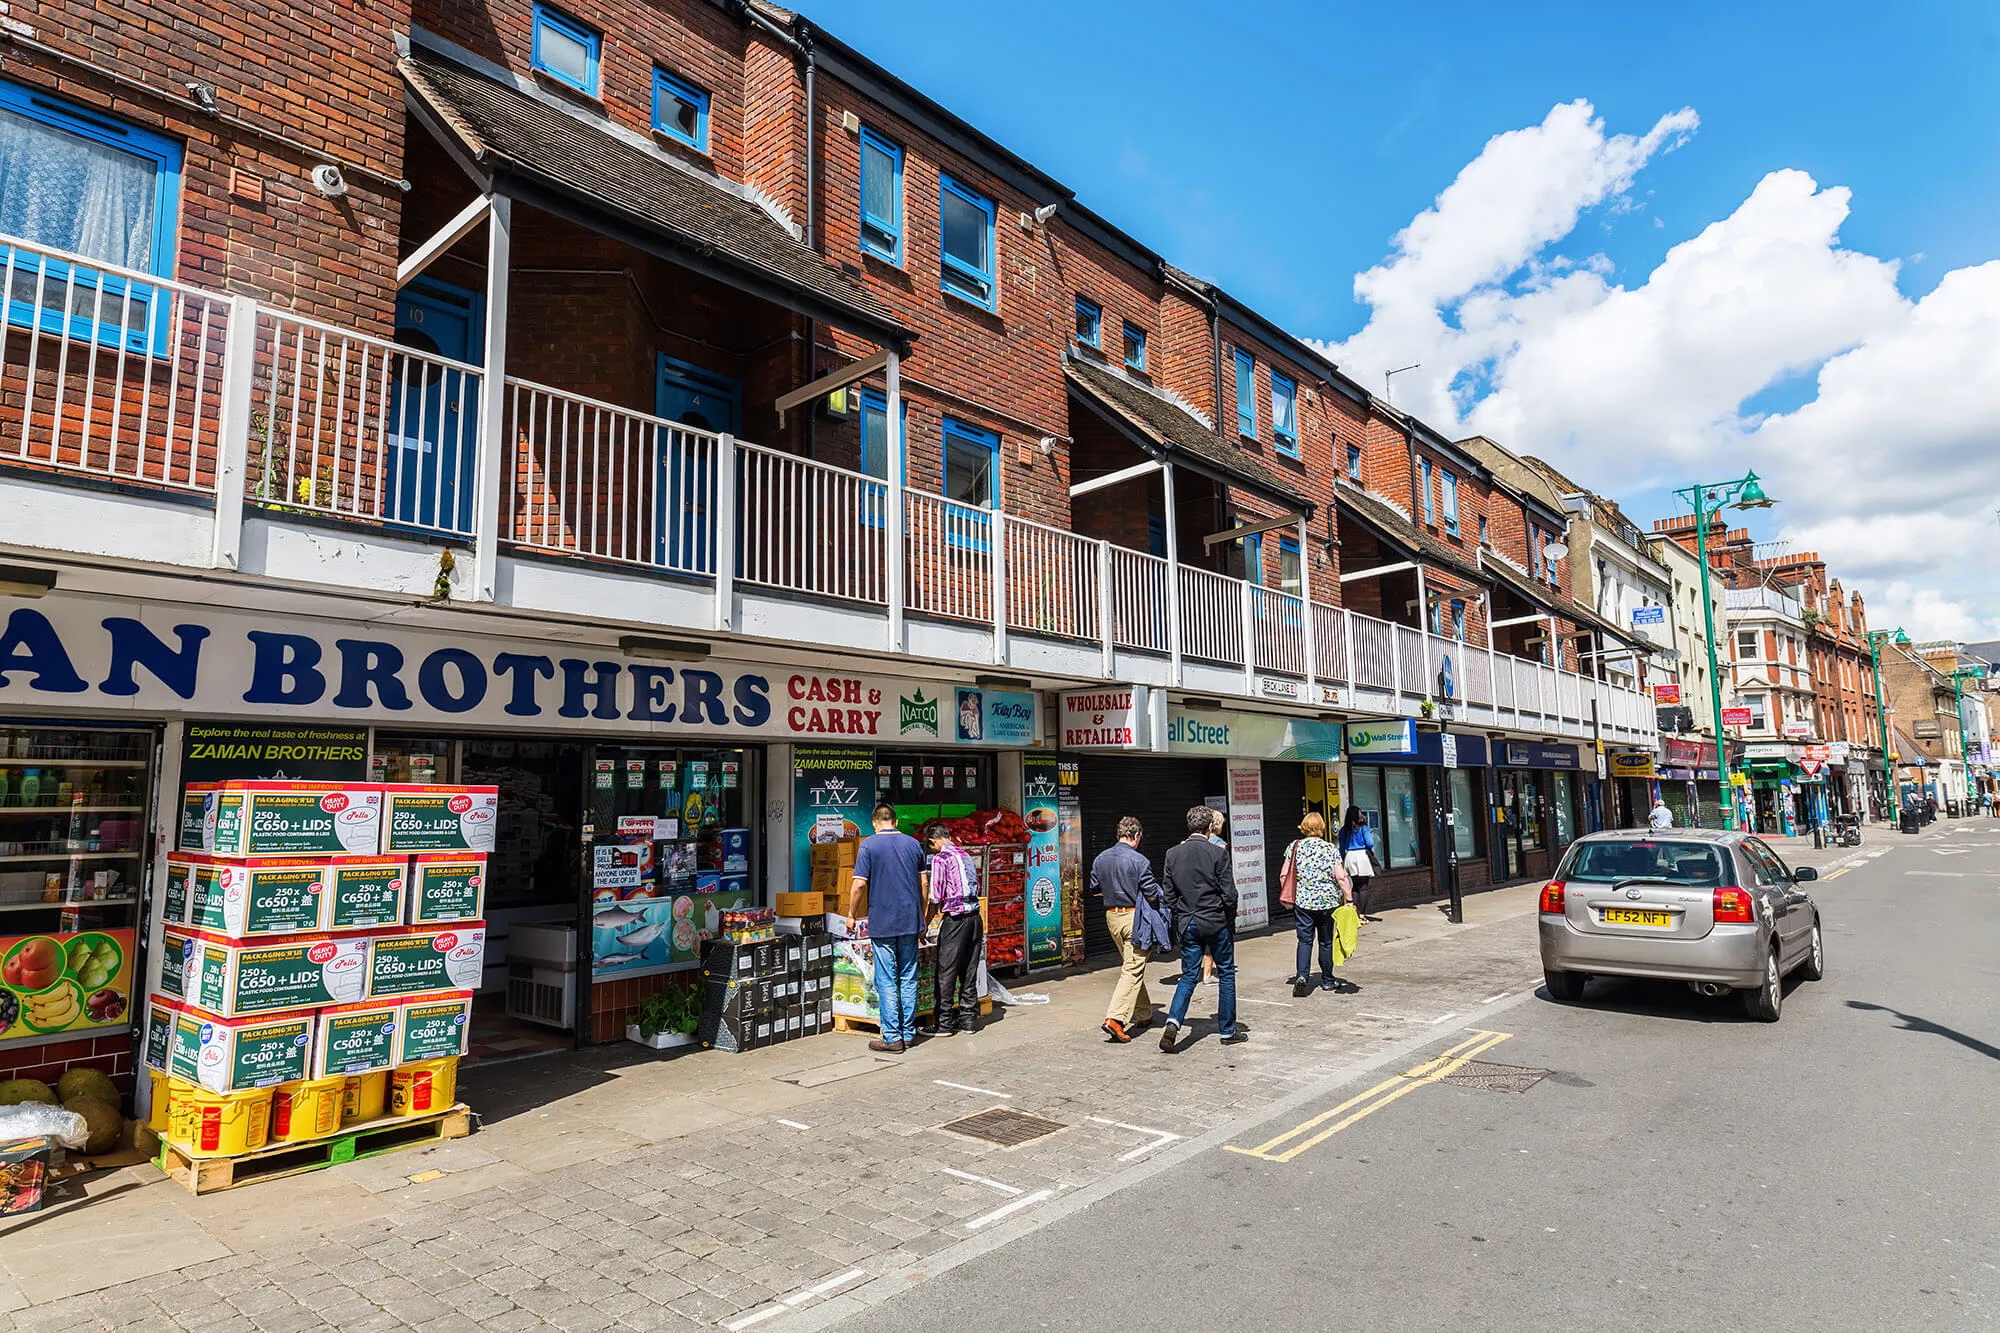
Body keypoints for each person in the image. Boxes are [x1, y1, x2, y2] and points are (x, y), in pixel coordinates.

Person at [1160, 805, 1245, 1051]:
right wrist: (1228, 918)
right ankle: (1228, 1030)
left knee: (1188, 975)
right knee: (1227, 973)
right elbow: (1229, 894)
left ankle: (1174, 1022)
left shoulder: (1172, 854)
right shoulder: (1218, 854)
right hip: (1216, 920)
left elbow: (1169, 894)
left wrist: (1182, 913)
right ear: (1210, 827)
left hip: (1189, 921)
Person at [851, 804, 927, 1054]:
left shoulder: (869, 845)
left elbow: (859, 885)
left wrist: (851, 914)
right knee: (908, 976)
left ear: (874, 822)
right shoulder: (913, 844)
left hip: (883, 920)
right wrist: (922, 914)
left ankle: (892, 1036)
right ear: (895, 821)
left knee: (886, 978)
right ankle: (907, 1033)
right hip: (910, 919)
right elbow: (923, 883)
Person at [1091, 816, 1166, 1043]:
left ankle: (1143, 1013)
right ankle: (1116, 1019)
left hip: (1112, 917)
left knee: (1131, 965)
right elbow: (1152, 892)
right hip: (1135, 918)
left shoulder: (1100, 858)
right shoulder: (1139, 861)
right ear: (1136, 836)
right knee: (1132, 969)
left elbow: (1095, 890)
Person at [922, 823, 983, 1036]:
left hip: (955, 920)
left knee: (946, 972)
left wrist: (925, 924)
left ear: (933, 842)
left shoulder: (941, 859)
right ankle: (967, 1020)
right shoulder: (966, 855)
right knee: (969, 970)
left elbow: (935, 897)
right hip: (975, 918)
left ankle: (944, 1024)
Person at [1285, 812, 1354, 998]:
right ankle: (1328, 981)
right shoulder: (1329, 849)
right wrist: (1349, 899)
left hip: (1303, 902)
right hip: (1327, 902)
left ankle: (1301, 976)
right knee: (1325, 941)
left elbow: (1284, 875)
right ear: (1322, 828)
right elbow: (1341, 876)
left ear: (1304, 827)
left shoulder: (1294, 847)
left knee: (1305, 940)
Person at [1339, 806, 1380, 921]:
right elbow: (1370, 843)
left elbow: (1341, 848)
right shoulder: (1363, 828)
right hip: (1361, 856)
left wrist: (1342, 862)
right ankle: (1362, 914)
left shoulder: (1343, 830)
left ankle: (1354, 914)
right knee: (1363, 887)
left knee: (1355, 886)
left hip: (1349, 857)